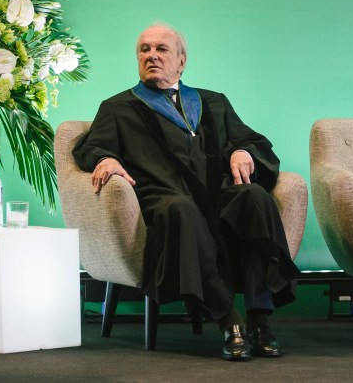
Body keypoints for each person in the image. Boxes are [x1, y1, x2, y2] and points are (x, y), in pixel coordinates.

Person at [71, 23, 297, 361]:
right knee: (181, 209)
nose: (151, 55)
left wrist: (242, 152)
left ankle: (259, 318)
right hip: (162, 198)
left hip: (216, 195)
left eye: (161, 49)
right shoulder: (118, 108)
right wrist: (106, 159)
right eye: (144, 49)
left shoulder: (213, 102)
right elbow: (91, 148)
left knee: (255, 198)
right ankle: (228, 320)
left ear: (181, 61)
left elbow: (249, 140)